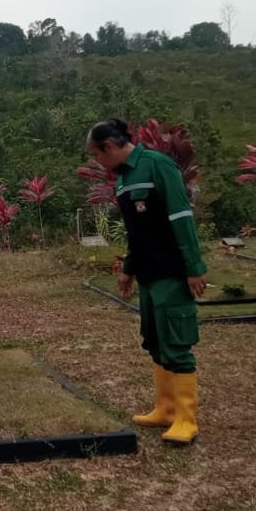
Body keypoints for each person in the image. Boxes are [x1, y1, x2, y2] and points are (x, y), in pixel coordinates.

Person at [86, 118, 208, 444]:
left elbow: (181, 216)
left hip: (170, 271)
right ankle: (166, 409)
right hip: (148, 274)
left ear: (109, 147)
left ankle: (186, 418)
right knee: (155, 340)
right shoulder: (124, 179)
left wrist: (194, 266)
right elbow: (136, 232)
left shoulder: (157, 165)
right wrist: (128, 268)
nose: (98, 161)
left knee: (177, 341)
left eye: (97, 155)